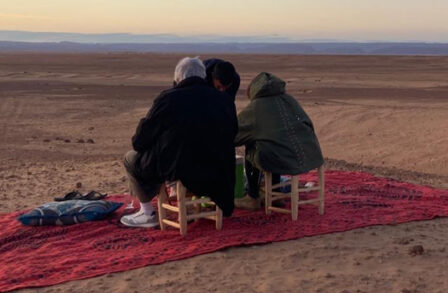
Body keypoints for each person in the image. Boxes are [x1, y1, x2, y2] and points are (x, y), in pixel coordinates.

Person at [120, 57, 238, 227]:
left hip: (179, 167)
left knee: (131, 158)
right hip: (217, 169)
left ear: (178, 77)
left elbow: (140, 141)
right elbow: (233, 133)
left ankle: (147, 213)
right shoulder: (224, 100)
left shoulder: (168, 99)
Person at [234, 71, 323, 208]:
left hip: (281, 158)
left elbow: (235, 133)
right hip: (309, 155)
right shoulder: (290, 101)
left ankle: (252, 196)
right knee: (274, 143)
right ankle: (275, 194)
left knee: (254, 148)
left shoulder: (257, 106)